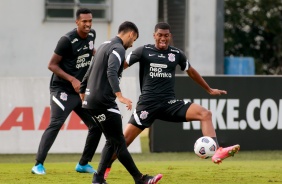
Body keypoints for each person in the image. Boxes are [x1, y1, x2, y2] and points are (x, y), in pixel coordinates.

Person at [103, 22, 240, 178]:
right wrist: (104, 79)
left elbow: (191, 71)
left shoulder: (176, 54)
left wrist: (209, 89)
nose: (163, 38)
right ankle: (105, 168)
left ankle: (216, 151)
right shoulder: (143, 51)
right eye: (160, 35)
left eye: (166, 35)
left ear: (170, 36)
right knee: (123, 141)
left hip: (169, 104)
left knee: (205, 114)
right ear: (154, 35)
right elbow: (121, 66)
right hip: (147, 105)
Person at [80, 21, 163, 184]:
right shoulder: (118, 49)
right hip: (104, 102)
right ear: (130, 34)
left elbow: (89, 71)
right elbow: (111, 71)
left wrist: (83, 93)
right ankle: (140, 179)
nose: (132, 44)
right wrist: (120, 95)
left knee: (112, 140)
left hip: (91, 102)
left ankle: (98, 178)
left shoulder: (104, 45)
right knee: (119, 142)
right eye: (134, 40)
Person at [31, 8, 102, 175]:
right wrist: (72, 79)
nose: (88, 24)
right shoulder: (66, 40)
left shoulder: (92, 35)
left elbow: (90, 50)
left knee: (97, 125)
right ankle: (38, 164)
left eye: (90, 21)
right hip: (62, 90)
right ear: (77, 22)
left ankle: (83, 164)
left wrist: (99, 55)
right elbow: (52, 65)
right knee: (56, 123)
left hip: (81, 91)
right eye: (84, 21)